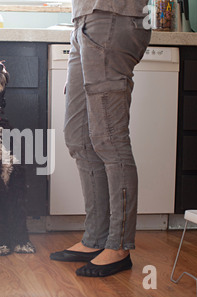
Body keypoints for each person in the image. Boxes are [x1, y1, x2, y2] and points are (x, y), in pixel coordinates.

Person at [50, 0, 152, 277]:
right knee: (78, 137)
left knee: (109, 138)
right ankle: (95, 238)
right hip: (84, 21)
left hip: (113, 15)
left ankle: (118, 245)